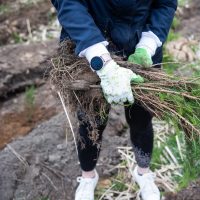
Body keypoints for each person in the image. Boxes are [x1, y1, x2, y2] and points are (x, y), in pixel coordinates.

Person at [51, 1, 177, 199]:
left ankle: (143, 172)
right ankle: (88, 176)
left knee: (141, 118)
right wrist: (102, 61)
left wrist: (148, 45)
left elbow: (165, 4)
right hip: (88, 45)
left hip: (140, 47)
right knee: (91, 120)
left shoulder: (146, 46)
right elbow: (69, 3)